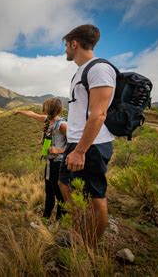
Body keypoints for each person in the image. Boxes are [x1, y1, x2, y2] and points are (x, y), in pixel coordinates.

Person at [59, 24, 116, 247]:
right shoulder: (81, 71)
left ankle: (89, 247)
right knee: (64, 183)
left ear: (75, 43)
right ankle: (76, 232)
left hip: (91, 145)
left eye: (66, 45)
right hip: (77, 144)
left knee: (96, 197)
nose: (65, 50)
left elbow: (99, 114)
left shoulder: (99, 69)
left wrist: (81, 150)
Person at [14, 97, 67, 221]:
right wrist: (19, 111)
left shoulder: (63, 125)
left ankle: (60, 222)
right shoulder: (47, 120)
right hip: (49, 163)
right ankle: (45, 219)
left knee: (59, 195)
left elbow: (75, 144)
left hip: (58, 163)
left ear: (48, 109)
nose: (42, 110)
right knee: (49, 192)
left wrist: (58, 150)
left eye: (44, 107)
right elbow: (32, 114)